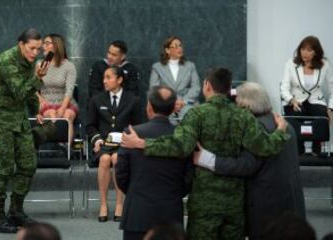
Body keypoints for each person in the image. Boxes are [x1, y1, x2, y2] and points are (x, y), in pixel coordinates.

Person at [121, 67, 289, 240]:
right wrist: (281, 131)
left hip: (204, 203)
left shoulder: (197, 114)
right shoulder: (243, 116)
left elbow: (180, 146)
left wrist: (143, 143)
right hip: (233, 203)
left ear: (207, 85)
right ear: (228, 87)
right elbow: (266, 146)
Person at [194, 82, 305, 239]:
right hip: (290, 204)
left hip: (267, 210)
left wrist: (206, 159)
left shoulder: (255, 129)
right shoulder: (284, 124)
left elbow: (245, 166)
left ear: (244, 106)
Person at [0, 28, 49, 233]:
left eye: (38, 49)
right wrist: (38, 78)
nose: (35, 53)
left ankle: (16, 211)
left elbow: (29, 95)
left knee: (28, 164)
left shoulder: (29, 62)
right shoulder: (6, 61)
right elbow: (20, 91)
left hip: (18, 120)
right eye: (31, 48)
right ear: (21, 44)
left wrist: (36, 111)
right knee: (4, 170)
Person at [115, 86, 194, 240]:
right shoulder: (182, 137)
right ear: (173, 109)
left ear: (149, 107)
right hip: (171, 214)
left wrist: (135, 192)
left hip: (137, 213)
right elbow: (188, 178)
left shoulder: (131, 133)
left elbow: (121, 175)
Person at [86, 66, 141, 222]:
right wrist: (96, 139)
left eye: (109, 77)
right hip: (103, 144)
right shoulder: (97, 99)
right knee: (104, 160)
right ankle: (103, 205)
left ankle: (119, 204)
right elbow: (90, 126)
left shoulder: (133, 100)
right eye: (104, 77)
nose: (104, 81)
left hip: (124, 144)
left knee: (117, 159)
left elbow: (138, 126)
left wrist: (129, 139)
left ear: (119, 80)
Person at [280, 35, 333, 154]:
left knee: (322, 115)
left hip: (316, 100)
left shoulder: (324, 65)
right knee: (295, 114)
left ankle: (317, 148)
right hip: (295, 100)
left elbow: (332, 87)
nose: (305, 53)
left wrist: (331, 108)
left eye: (309, 50)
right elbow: (284, 87)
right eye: (302, 49)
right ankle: (298, 149)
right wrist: (291, 100)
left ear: (316, 52)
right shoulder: (291, 64)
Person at [37, 33, 78, 144]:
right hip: (47, 103)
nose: (43, 46)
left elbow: (70, 90)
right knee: (51, 114)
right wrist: (40, 98)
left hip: (66, 102)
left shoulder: (69, 66)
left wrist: (63, 108)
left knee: (67, 116)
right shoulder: (40, 64)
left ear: (56, 46)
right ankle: (56, 146)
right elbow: (32, 87)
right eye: (43, 43)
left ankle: (67, 150)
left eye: (47, 43)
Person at [149, 36, 200, 124]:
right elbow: (154, 89)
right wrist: (171, 102)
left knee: (190, 115)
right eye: (176, 46)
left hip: (186, 103)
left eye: (180, 46)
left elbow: (196, 87)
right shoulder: (157, 67)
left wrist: (183, 101)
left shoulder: (190, 66)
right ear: (167, 50)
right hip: (166, 104)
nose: (179, 48)